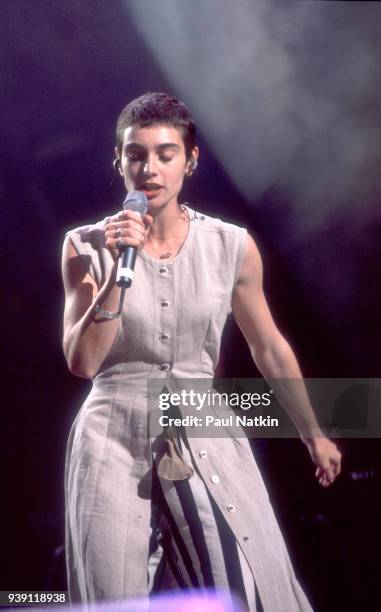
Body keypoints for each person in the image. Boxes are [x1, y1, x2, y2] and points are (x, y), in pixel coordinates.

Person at [62, 92, 341, 611]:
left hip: (203, 420)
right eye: (136, 154)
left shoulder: (231, 245)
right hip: (112, 432)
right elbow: (82, 362)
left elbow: (270, 348)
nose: (150, 168)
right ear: (118, 161)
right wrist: (119, 272)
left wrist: (313, 432)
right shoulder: (87, 245)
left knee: (250, 582)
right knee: (114, 596)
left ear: (190, 161)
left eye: (166, 154)